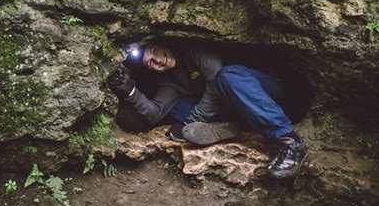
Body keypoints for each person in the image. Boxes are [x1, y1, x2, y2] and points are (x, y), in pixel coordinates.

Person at [109, 41, 309, 179]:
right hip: (242, 110)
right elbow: (155, 113)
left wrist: (192, 122)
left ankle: (289, 140)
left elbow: (214, 75)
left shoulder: (190, 49)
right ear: (151, 70)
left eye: (155, 52)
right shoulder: (169, 82)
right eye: (150, 62)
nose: (158, 60)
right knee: (173, 108)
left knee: (227, 76)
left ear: (162, 44)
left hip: (273, 94)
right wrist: (130, 91)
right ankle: (233, 127)